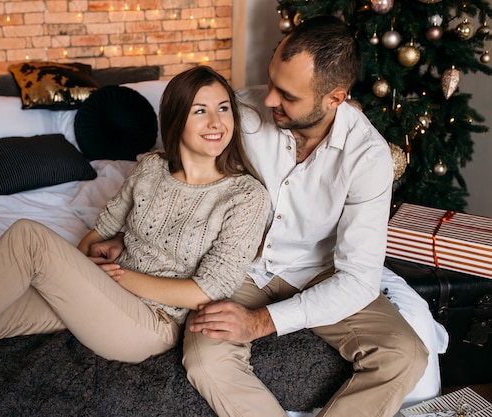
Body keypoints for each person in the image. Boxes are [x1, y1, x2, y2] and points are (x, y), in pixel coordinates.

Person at [0, 65, 271, 399]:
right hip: (101, 293)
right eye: (200, 111)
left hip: (152, 323)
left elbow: (208, 290)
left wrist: (123, 276)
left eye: (223, 109)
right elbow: (96, 235)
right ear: (177, 116)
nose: (217, 122)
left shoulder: (245, 195)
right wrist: (103, 252)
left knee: (28, 238)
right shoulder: (149, 168)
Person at [182, 16, 429, 417]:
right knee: (206, 359)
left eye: (288, 95)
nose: (269, 100)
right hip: (238, 264)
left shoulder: (368, 157)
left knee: (406, 355)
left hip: (320, 271)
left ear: (335, 98)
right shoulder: (240, 114)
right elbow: (175, 169)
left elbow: (359, 278)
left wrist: (261, 322)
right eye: (271, 81)